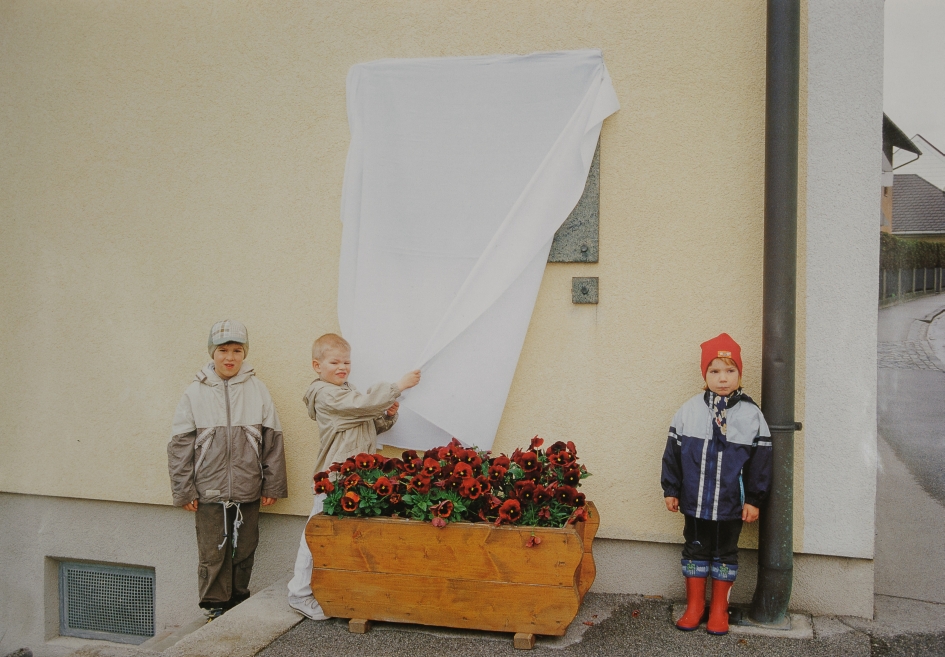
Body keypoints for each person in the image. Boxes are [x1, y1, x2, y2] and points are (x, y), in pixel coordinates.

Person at [286, 332, 421, 620]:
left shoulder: (346, 392)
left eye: (346, 362)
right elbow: (362, 406)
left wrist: (387, 415)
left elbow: (368, 423)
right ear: (317, 366)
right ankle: (299, 593)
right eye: (334, 362)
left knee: (343, 537)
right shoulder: (325, 394)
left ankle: (336, 589)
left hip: (355, 478)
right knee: (316, 534)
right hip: (332, 479)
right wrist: (397, 387)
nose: (342, 367)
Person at [168, 320, 287, 621]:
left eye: (237, 350)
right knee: (213, 551)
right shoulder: (194, 393)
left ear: (244, 353)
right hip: (208, 490)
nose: (230, 357)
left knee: (244, 548)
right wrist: (184, 490)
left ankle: (238, 599)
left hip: (248, 487)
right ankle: (215, 605)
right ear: (213, 353)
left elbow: (273, 441)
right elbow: (180, 446)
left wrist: (272, 485)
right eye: (223, 350)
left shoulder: (258, 390)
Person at [660, 333, 772, 635]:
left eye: (730, 370)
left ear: (739, 373)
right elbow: (673, 453)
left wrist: (754, 499)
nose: (723, 378)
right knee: (695, 550)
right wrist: (671, 489)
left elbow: (761, 463)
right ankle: (695, 607)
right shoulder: (689, 411)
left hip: (730, 504)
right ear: (705, 374)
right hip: (694, 502)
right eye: (715, 371)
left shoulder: (752, 415)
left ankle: (719, 609)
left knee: (725, 553)